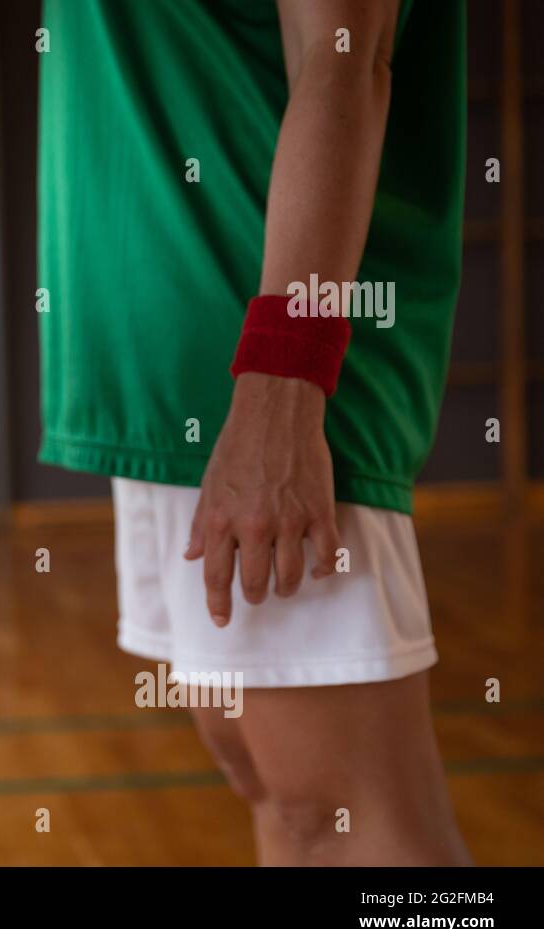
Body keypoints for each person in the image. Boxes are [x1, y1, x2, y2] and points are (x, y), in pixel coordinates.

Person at [38, 0, 471, 864]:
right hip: (177, 388)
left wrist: (286, 374)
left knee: (342, 814)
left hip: (271, 374)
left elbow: (345, 54)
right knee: (276, 791)